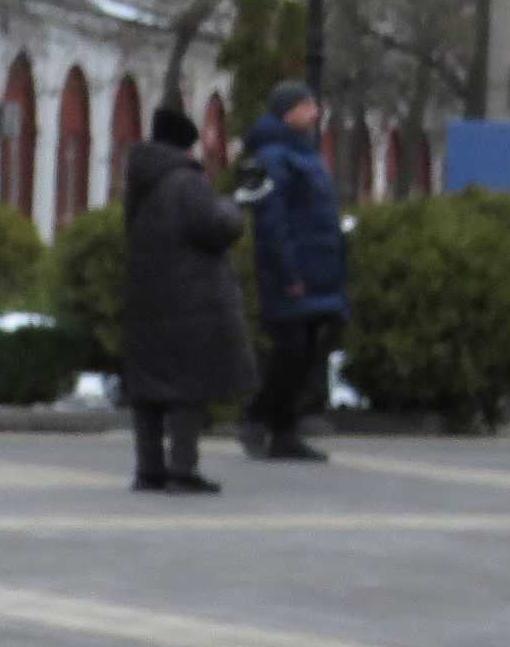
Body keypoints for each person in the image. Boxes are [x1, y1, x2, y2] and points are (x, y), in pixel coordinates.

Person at [119, 105, 251, 496]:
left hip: (147, 297)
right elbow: (214, 226)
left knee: (148, 391)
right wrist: (233, 207)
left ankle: (148, 469)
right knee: (186, 388)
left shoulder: (141, 179)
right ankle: (182, 469)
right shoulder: (185, 181)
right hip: (188, 298)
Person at [238, 81, 346, 464]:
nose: (315, 114)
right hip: (292, 274)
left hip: (319, 273)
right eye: (307, 107)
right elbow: (272, 222)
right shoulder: (273, 158)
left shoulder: (306, 155)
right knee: (291, 351)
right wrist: (288, 273)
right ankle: (260, 417)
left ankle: (284, 429)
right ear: (288, 113)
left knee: (309, 354)